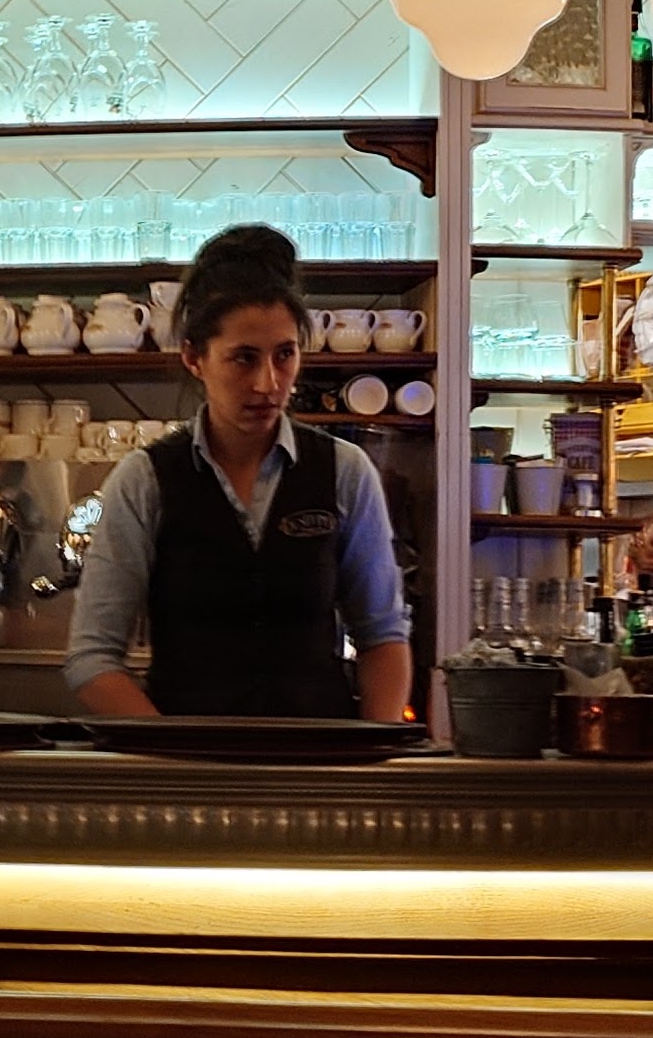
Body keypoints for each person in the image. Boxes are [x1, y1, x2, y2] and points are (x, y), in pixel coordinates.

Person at [67, 225, 414, 721]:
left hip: (318, 758)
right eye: (243, 359)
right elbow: (92, 658)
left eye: (284, 355)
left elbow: (382, 636)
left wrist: (372, 751)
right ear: (194, 358)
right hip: (185, 761)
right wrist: (170, 748)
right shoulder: (145, 480)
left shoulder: (344, 471)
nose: (268, 383)